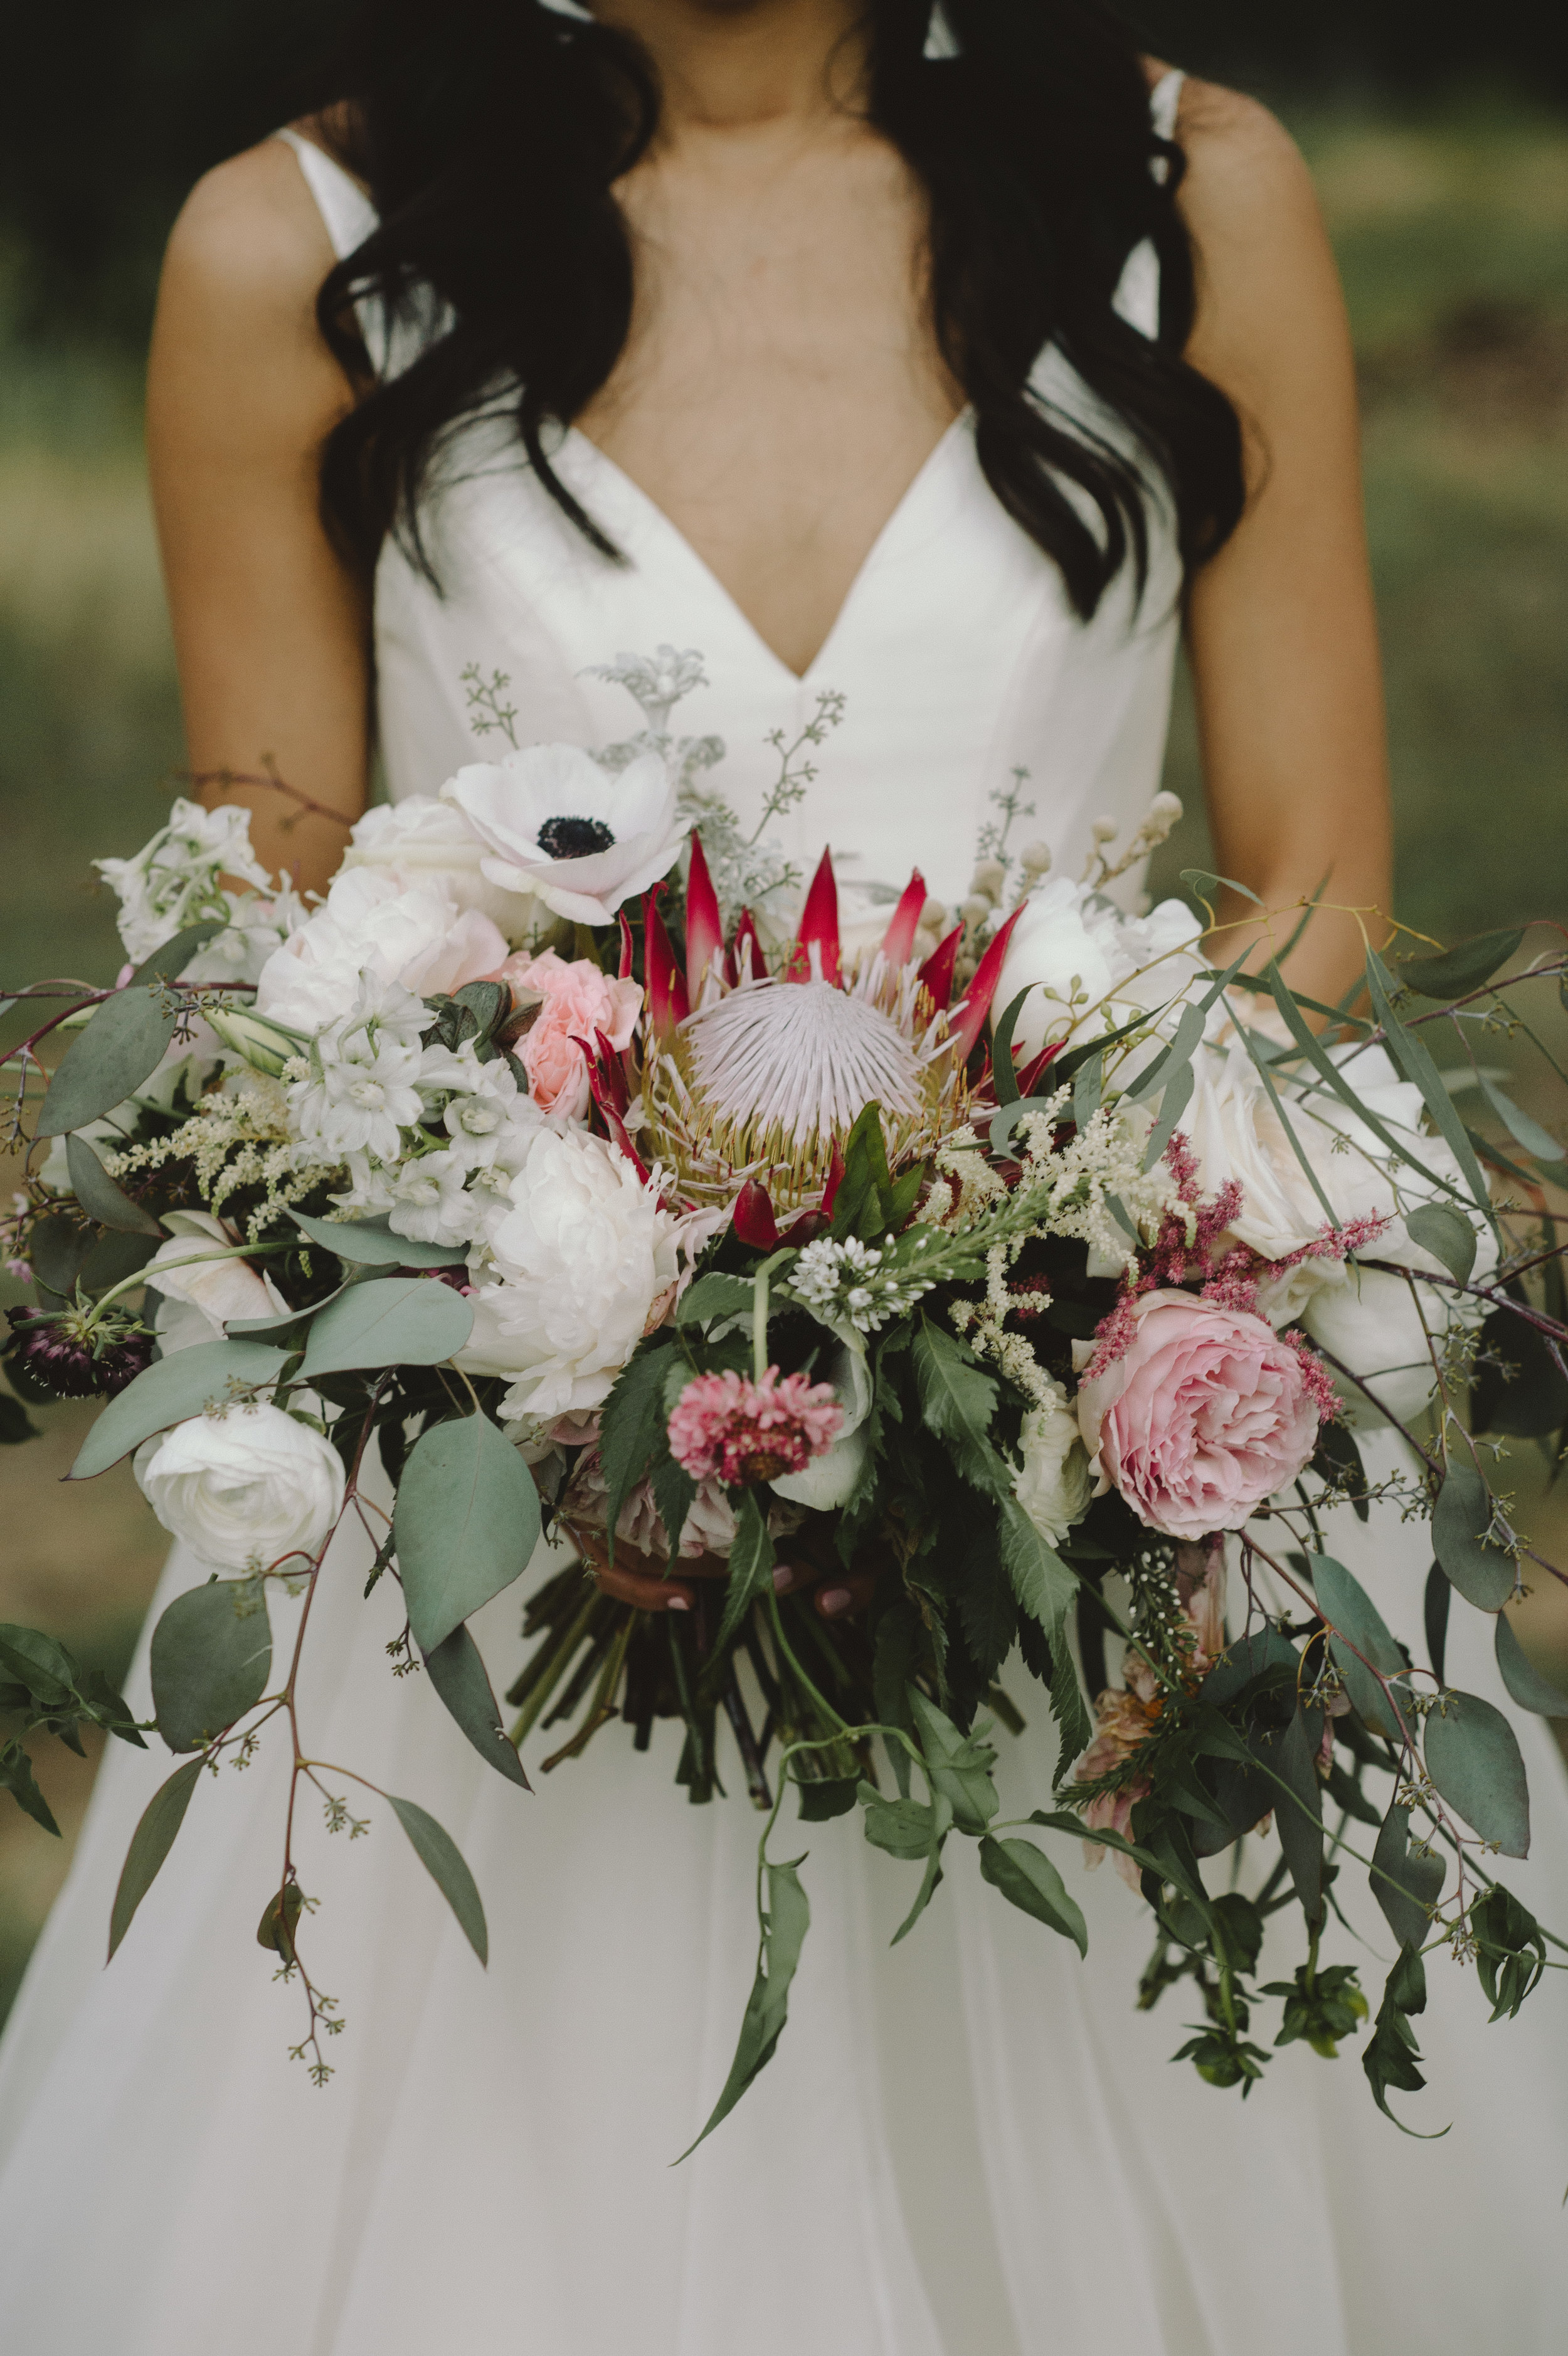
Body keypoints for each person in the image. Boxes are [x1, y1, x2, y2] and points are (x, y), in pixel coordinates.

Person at [1, 3, 1564, 2350]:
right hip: (539, 1509)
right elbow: (284, 969)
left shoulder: (1185, 191)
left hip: (1098, 1431)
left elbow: (1319, 879)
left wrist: (1065, 1255)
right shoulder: (300, 253)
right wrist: (616, 1323)